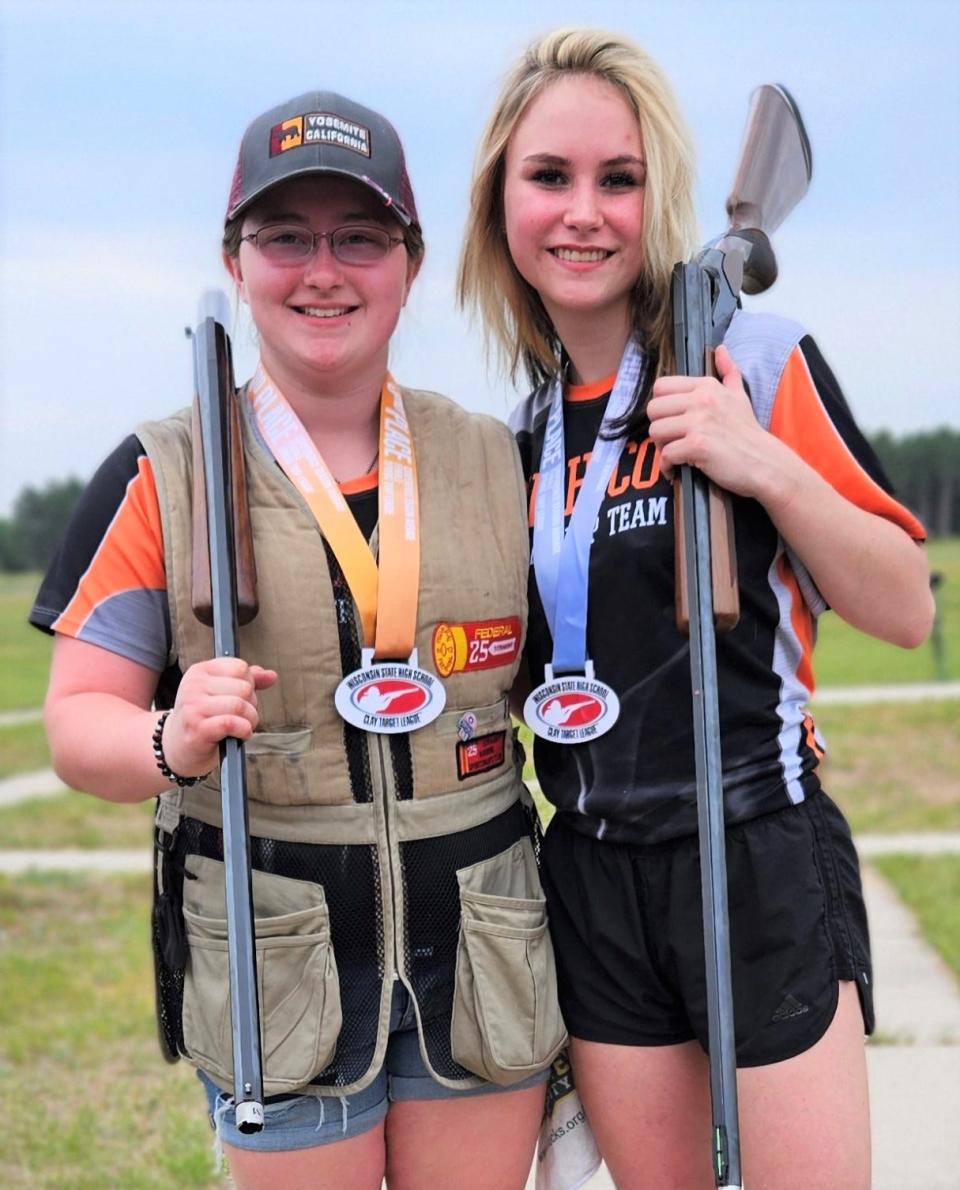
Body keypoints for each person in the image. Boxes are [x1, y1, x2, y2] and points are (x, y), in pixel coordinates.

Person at [31, 90, 566, 1189]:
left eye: (360, 237)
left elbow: (580, 675)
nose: (323, 270)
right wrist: (170, 738)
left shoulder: (495, 459)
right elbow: (77, 724)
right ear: (238, 258)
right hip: (275, 953)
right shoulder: (164, 471)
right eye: (286, 237)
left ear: (409, 264)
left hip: (483, 946)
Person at [459, 28, 934, 1190]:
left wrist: (760, 462)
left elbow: (906, 603)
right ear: (501, 204)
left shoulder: (754, 359)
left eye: (617, 179)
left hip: (755, 847)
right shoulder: (515, 437)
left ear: (657, 194)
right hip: (595, 872)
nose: (584, 212)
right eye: (549, 177)